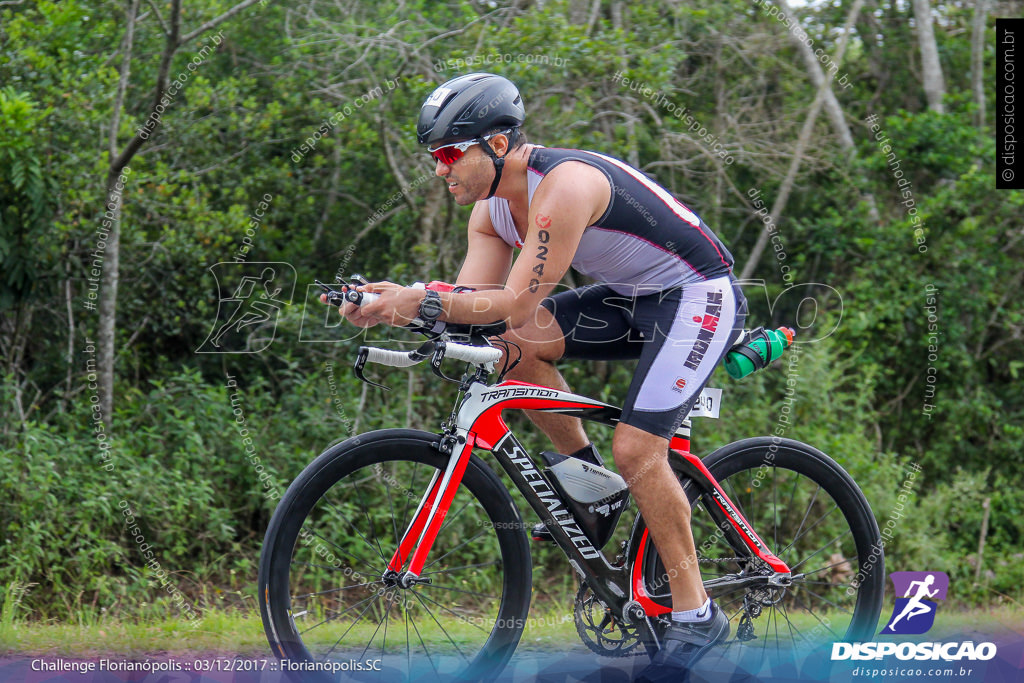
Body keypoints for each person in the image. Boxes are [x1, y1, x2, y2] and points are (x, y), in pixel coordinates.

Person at [329, 72, 745, 680]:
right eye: (433, 158)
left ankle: (697, 614)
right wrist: (391, 306)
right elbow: (478, 306)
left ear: (497, 145)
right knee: (509, 348)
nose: (440, 170)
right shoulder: (490, 209)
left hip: (697, 298)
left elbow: (517, 300)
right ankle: (591, 490)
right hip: (631, 298)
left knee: (638, 449)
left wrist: (419, 300)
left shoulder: (565, 186)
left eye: (448, 155)